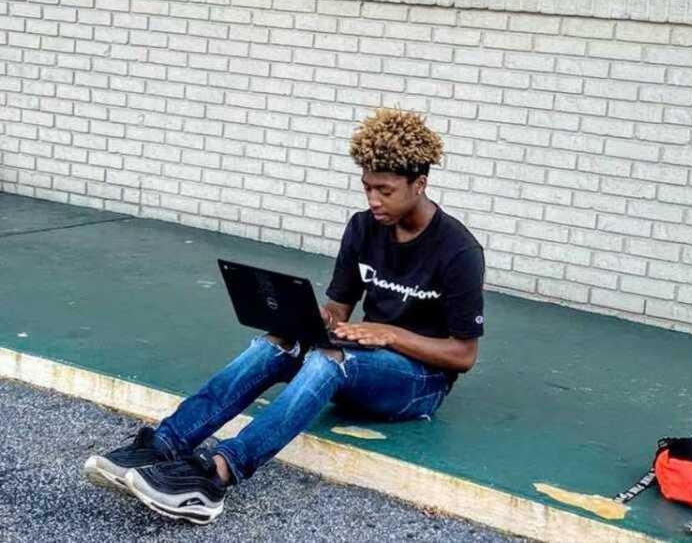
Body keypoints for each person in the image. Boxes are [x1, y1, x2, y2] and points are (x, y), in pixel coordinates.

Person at [83, 109, 486, 524]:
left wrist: (390, 334)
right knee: (277, 344)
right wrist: (311, 318)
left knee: (331, 362)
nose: (373, 201)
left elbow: (463, 355)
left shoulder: (458, 251)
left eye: (384, 190)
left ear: (420, 184)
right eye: (366, 188)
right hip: (361, 358)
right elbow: (339, 311)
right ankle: (165, 444)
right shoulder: (363, 227)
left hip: (419, 383)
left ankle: (216, 476)